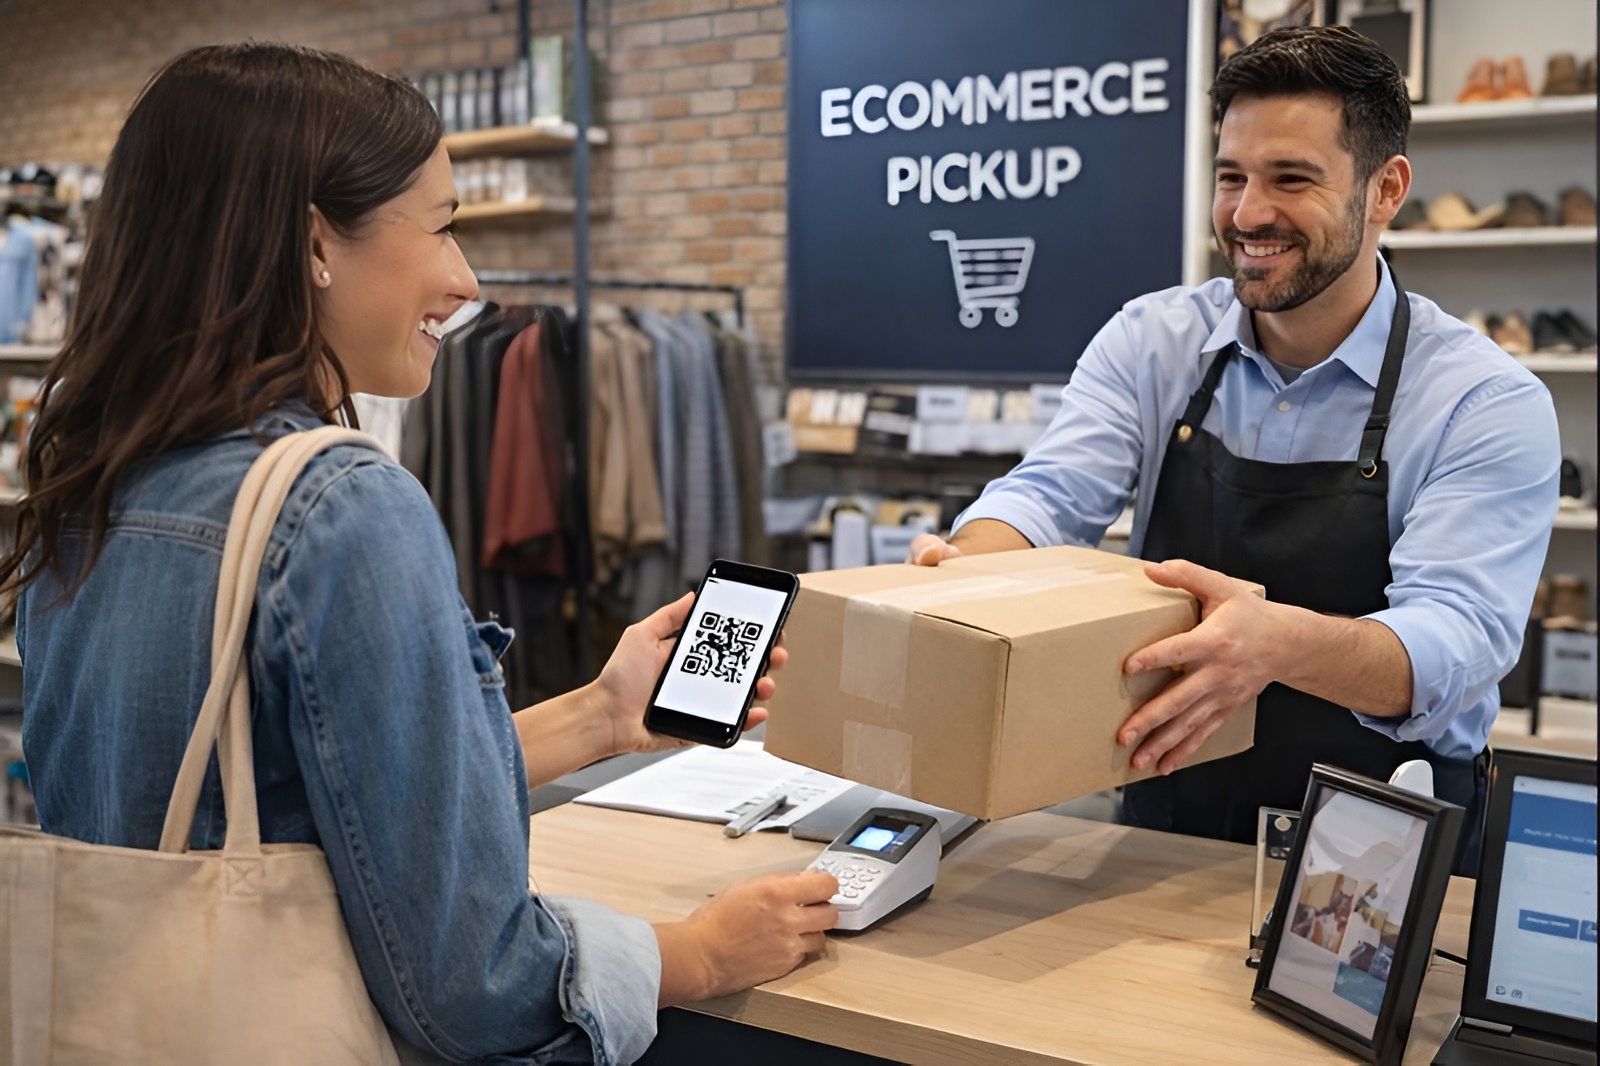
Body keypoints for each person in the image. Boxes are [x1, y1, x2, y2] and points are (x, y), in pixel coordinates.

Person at [3, 43, 837, 1064]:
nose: (466, 277)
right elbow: (473, 986)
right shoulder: (340, 506)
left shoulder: (89, 483)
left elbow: (297, 799)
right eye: (442, 227)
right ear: (315, 241)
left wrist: (600, 715)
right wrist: (693, 954)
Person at [911, 26, 1559, 871]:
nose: (1249, 214)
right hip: (1166, 810)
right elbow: (1048, 496)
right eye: (1231, 177)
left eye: (1291, 178)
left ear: (1385, 189)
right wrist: (961, 574)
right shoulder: (1152, 342)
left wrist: (1274, 646)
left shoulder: (1483, 401)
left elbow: (1450, 645)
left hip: (1380, 844)